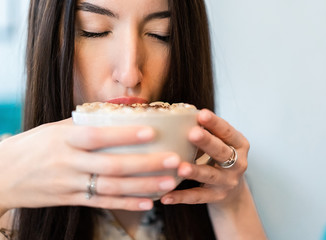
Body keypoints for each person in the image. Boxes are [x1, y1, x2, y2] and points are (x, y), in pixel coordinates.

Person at [0, 0, 267, 239]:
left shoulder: (213, 183)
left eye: (161, 34)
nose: (129, 74)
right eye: (94, 30)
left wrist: (232, 202)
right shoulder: (12, 187)